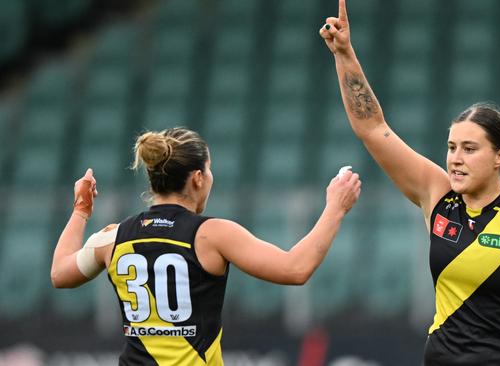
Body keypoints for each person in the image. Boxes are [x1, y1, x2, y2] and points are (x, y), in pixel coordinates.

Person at [319, 1, 500, 365]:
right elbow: (373, 128)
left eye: (469, 149)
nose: (455, 158)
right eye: (452, 147)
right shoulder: (438, 196)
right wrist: (344, 54)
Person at [50, 127, 361, 365]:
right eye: (209, 170)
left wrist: (80, 211)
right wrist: (335, 207)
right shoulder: (212, 235)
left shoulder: (114, 236)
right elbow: (296, 268)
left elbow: (60, 274)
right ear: (197, 178)